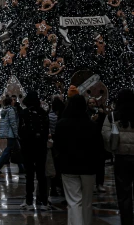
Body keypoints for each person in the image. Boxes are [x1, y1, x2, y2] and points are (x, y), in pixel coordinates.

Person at [54, 93, 102, 225]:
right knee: (87, 202)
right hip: (89, 167)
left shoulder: (61, 124)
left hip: (68, 166)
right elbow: (99, 147)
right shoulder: (92, 125)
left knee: (74, 201)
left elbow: (57, 146)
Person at [102, 88, 134, 225]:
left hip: (121, 159)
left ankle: (126, 221)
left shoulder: (112, 117)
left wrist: (112, 149)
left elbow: (105, 136)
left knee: (123, 193)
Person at [18, 91, 50, 211]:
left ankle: (29, 201)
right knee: (41, 175)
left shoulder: (24, 113)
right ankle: (44, 201)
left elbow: (20, 130)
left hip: (28, 147)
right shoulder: (43, 113)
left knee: (30, 175)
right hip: (41, 147)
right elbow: (46, 130)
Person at [0, 96, 25, 174]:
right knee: (9, 150)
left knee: (16, 150)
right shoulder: (11, 111)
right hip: (12, 134)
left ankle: (21, 167)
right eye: (13, 101)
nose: (14, 101)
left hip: (8, 133)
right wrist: (16, 133)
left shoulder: (4, 110)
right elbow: (13, 123)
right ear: (10, 102)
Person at [87, 97, 107, 192]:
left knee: (100, 164)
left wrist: (102, 114)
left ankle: (100, 183)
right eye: (90, 103)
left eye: (93, 102)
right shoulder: (86, 113)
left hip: (99, 139)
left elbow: (104, 124)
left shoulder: (100, 112)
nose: (92, 104)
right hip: (89, 141)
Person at [49, 97, 65, 197]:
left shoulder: (50, 116)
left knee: (54, 167)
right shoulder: (64, 116)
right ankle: (61, 188)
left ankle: (53, 188)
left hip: (53, 143)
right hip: (62, 143)